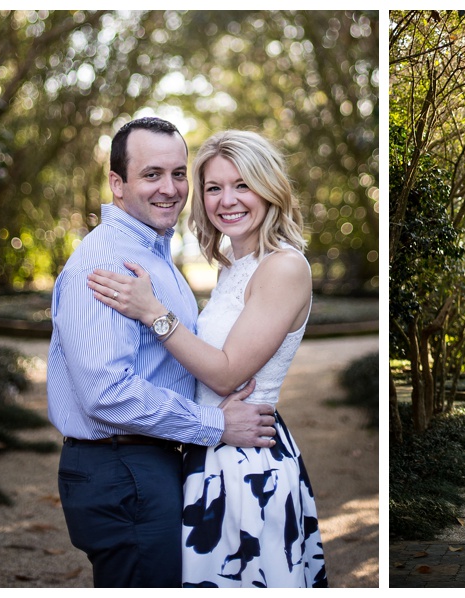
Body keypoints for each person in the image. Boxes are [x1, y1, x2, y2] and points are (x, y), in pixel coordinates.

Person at [86, 129, 327, 587]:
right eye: (214, 187)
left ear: (269, 188)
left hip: (247, 464)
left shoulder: (285, 266)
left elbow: (227, 373)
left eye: (242, 184)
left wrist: (152, 312)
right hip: (211, 449)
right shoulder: (235, 267)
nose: (226, 200)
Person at [47, 117, 277, 588]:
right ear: (118, 183)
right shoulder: (105, 261)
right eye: (152, 174)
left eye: (178, 174)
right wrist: (215, 424)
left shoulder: (154, 254)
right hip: (121, 468)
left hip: (147, 462)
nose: (170, 188)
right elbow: (105, 393)